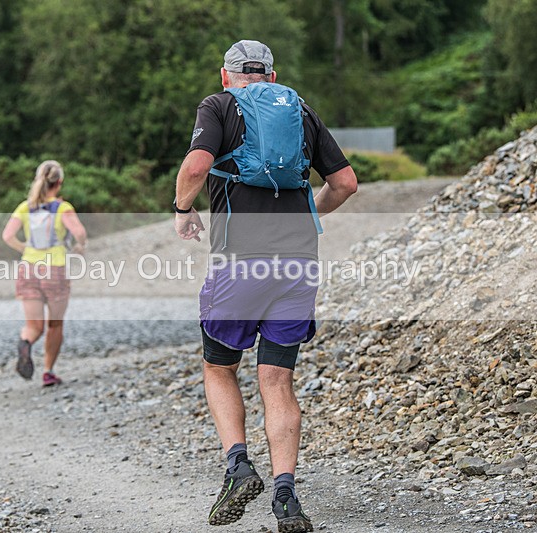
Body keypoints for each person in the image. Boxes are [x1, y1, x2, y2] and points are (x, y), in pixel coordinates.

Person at [174, 41, 358, 532]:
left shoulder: (219, 105)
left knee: (219, 367)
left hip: (240, 262)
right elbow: (345, 183)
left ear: (225, 75)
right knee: (277, 378)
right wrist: (307, 215)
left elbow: (194, 167)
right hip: (298, 261)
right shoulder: (300, 110)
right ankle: (286, 496)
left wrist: (183, 210)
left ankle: (238, 466)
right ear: (273, 78)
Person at [2, 160, 87, 387]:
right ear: (59, 182)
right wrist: (78, 247)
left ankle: (25, 342)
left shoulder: (24, 207)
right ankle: (48, 372)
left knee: (34, 326)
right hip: (54, 270)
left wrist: (26, 250)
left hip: (27, 269)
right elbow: (79, 232)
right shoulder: (62, 208)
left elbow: (7, 236)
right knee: (55, 325)